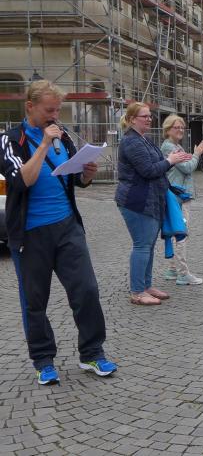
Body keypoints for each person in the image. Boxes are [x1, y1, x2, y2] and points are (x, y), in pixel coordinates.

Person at [0, 80, 117, 385]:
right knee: (35, 301)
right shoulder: (11, 140)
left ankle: (92, 352)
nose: (54, 116)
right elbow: (21, 181)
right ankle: (43, 360)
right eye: (49, 110)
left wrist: (87, 175)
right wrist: (42, 144)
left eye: (57, 110)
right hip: (30, 233)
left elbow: (75, 179)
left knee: (86, 289)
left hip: (67, 226)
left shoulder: (62, 136)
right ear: (30, 107)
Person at [116, 102, 193, 306]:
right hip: (137, 200)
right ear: (132, 119)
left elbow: (159, 164)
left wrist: (172, 159)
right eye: (145, 116)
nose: (149, 119)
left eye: (150, 116)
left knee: (148, 246)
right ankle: (137, 292)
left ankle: (146, 286)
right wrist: (170, 161)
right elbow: (148, 170)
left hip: (150, 199)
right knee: (142, 245)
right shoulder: (131, 142)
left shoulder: (145, 139)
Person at [161, 115, 203, 286]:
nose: (181, 130)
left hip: (178, 195)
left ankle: (172, 269)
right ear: (168, 129)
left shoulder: (176, 146)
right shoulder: (170, 147)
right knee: (181, 234)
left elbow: (186, 164)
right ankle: (183, 274)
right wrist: (197, 153)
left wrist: (192, 155)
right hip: (178, 196)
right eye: (177, 127)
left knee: (176, 232)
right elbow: (188, 167)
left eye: (182, 127)